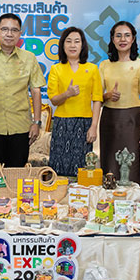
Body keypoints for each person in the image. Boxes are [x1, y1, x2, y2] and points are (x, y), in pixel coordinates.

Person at [0, 13, 45, 168]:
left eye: (14, 30)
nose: (9, 34)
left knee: (18, 173)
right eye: (4, 29)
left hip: (21, 127)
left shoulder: (29, 58)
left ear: (20, 33)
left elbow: (36, 91)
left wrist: (36, 123)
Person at [99, 21, 140, 184]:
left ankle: (132, 197)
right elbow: (97, 97)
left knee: (130, 163)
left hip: (132, 120)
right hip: (109, 120)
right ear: (112, 39)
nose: (123, 39)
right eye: (118, 35)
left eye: (127, 35)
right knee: (109, 161)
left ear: (133, 39)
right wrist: (108, 95)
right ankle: (108, 196)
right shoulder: (104, 65)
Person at [47, 26, 102, 177]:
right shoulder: (56, 69)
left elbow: (97, 99)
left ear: (82, 45)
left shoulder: (92, 69)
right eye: (69, 41)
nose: (72, 45)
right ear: (62, 45)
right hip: (62, 123)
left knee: (83, 167)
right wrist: (67, 94)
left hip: (84, 124)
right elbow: (54, 100)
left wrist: (93, 126)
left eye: (77, 41)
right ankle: (59, 192)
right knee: (58, 167)